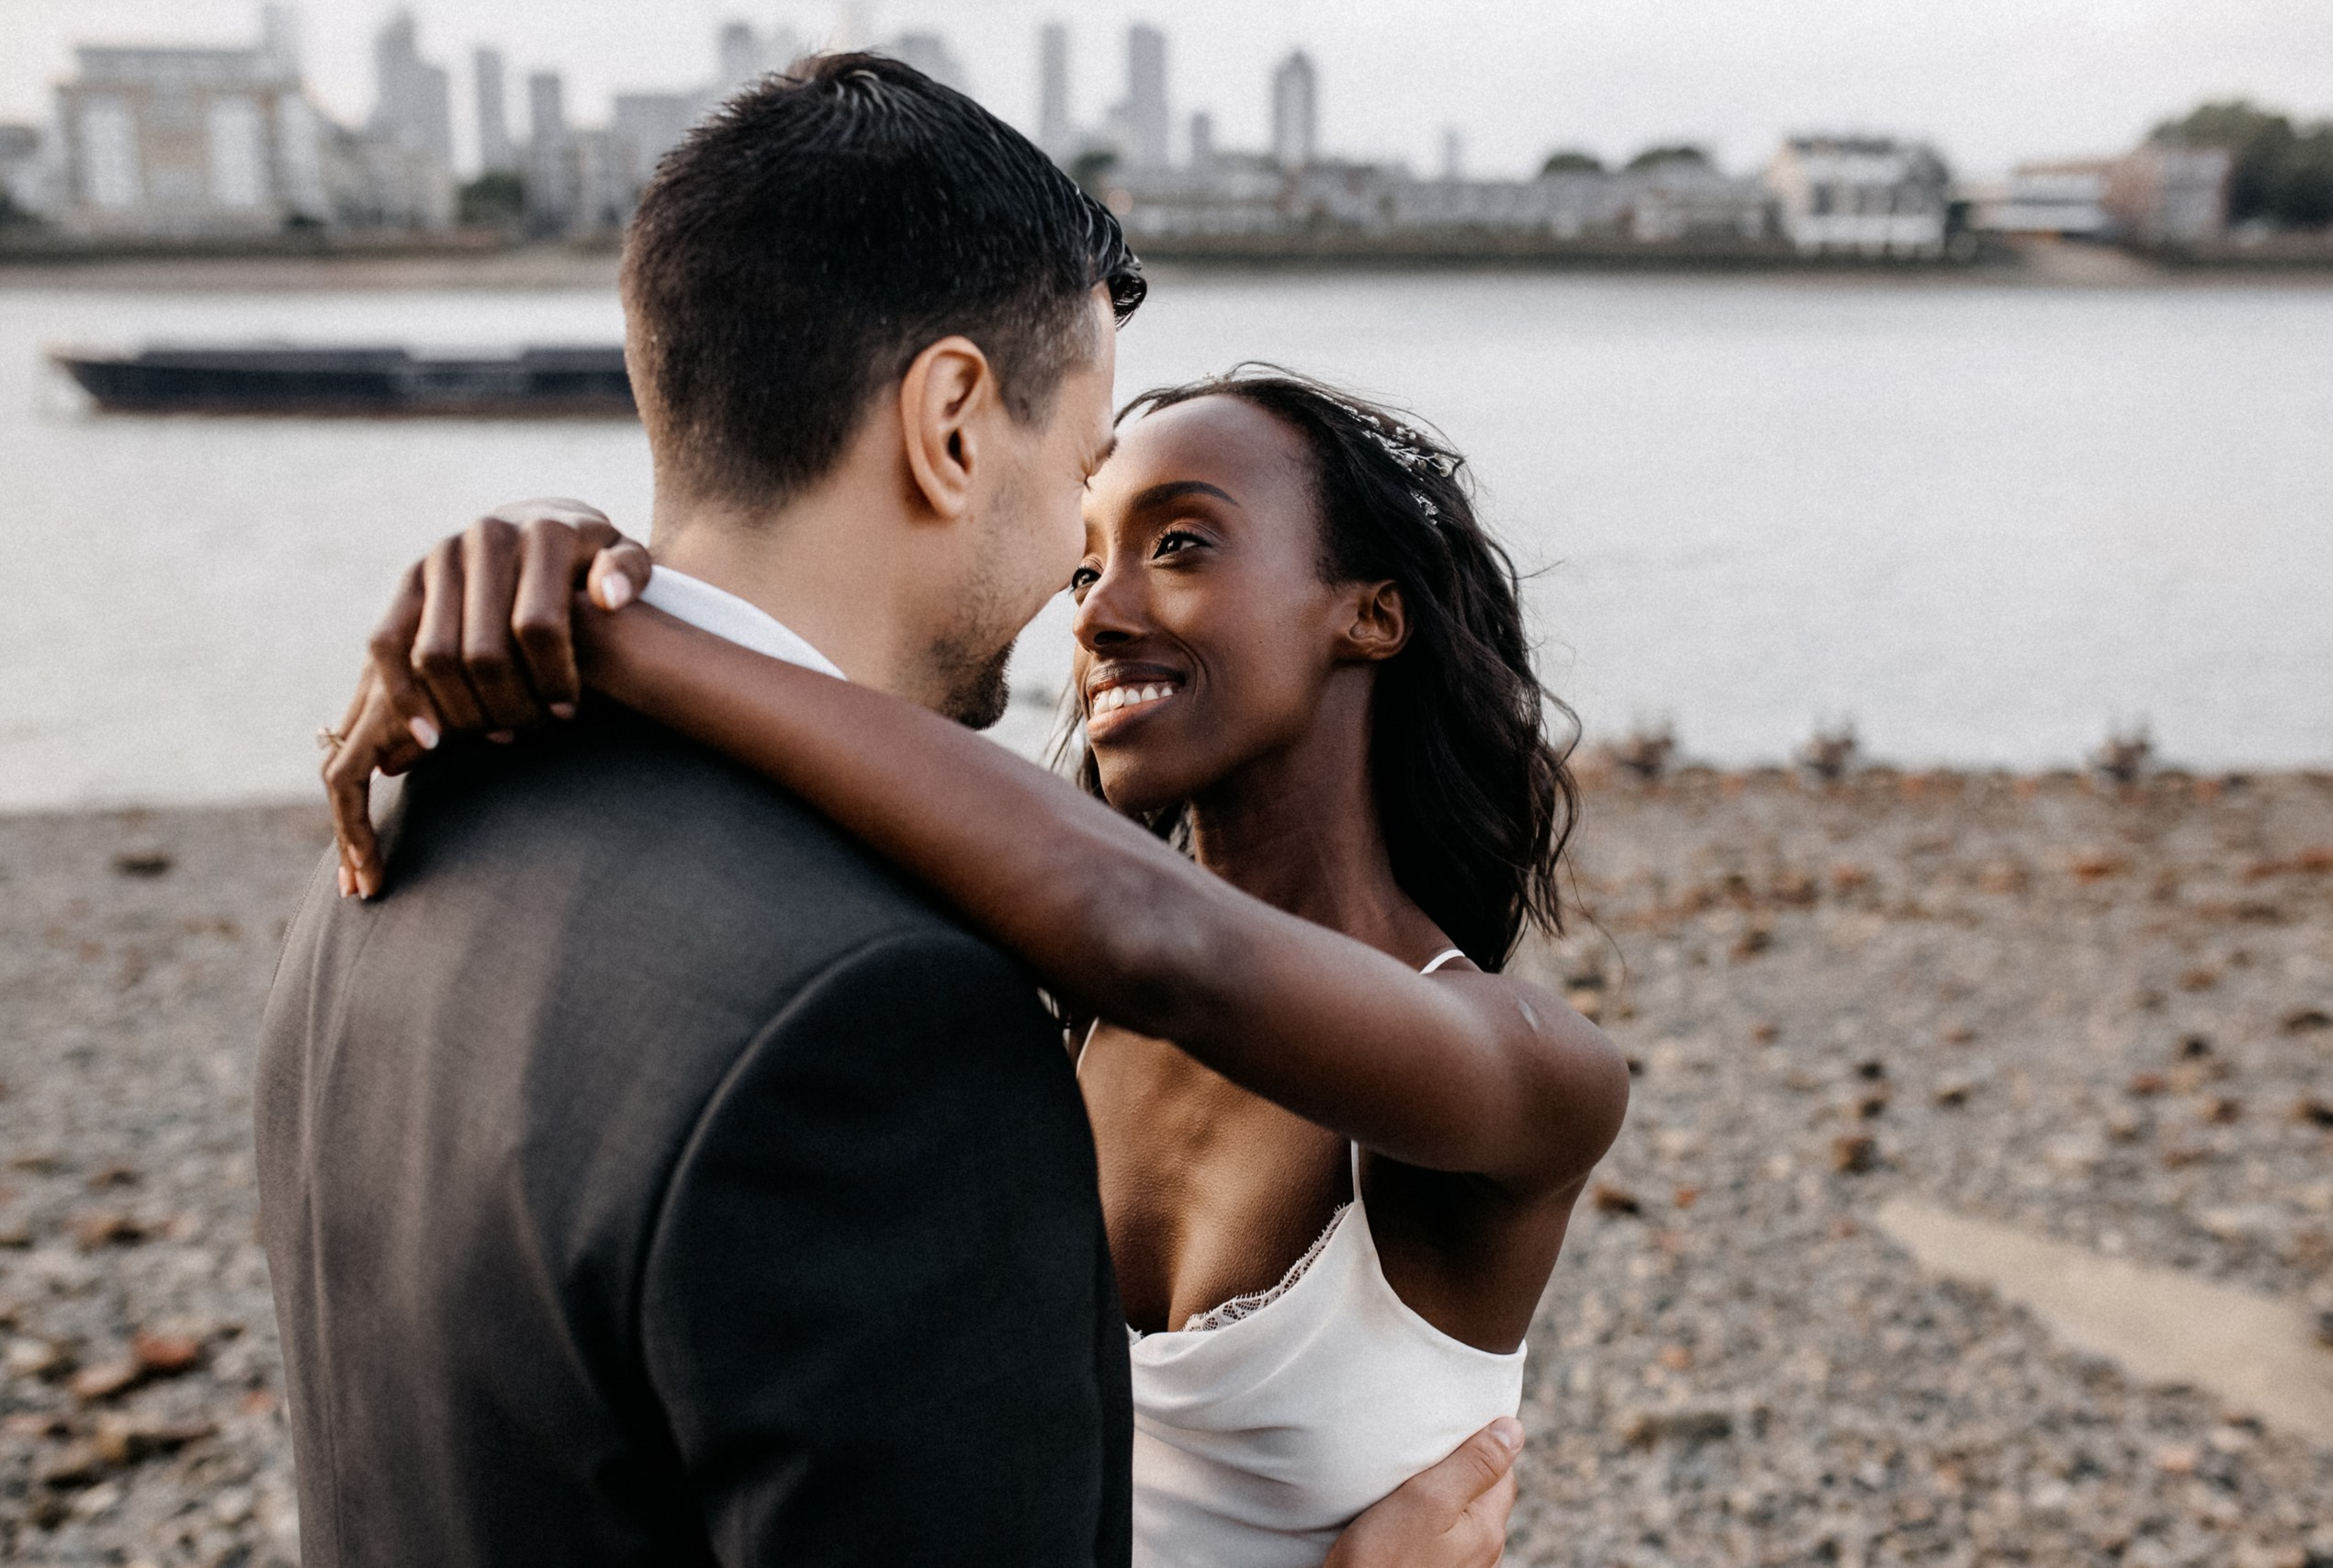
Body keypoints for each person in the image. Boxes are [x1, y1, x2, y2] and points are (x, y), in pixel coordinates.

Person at [265, 54, 1517, 1568]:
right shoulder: (884, 1016)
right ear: (951, 424)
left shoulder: (401, 833)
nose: (1077, 569)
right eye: (1077, 472)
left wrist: (621, 616)